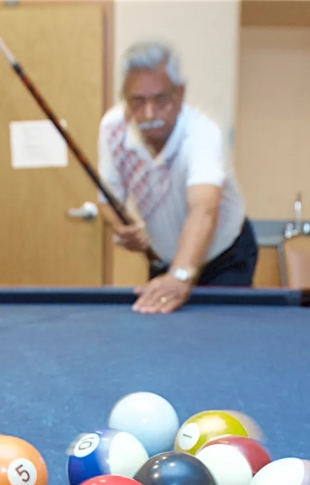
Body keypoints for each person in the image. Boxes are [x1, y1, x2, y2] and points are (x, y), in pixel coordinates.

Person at [96, 41, 255, 314]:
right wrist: (121, 228)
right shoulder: (113, 129)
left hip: (224, 258)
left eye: (161, 100)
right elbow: (106, 199)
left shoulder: (202, 134)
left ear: (180, 94)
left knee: (220, 342)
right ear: (125, 98)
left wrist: (180, 276)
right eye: (138, 101)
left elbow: (204, 210)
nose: (149, 113)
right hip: (165, 259)